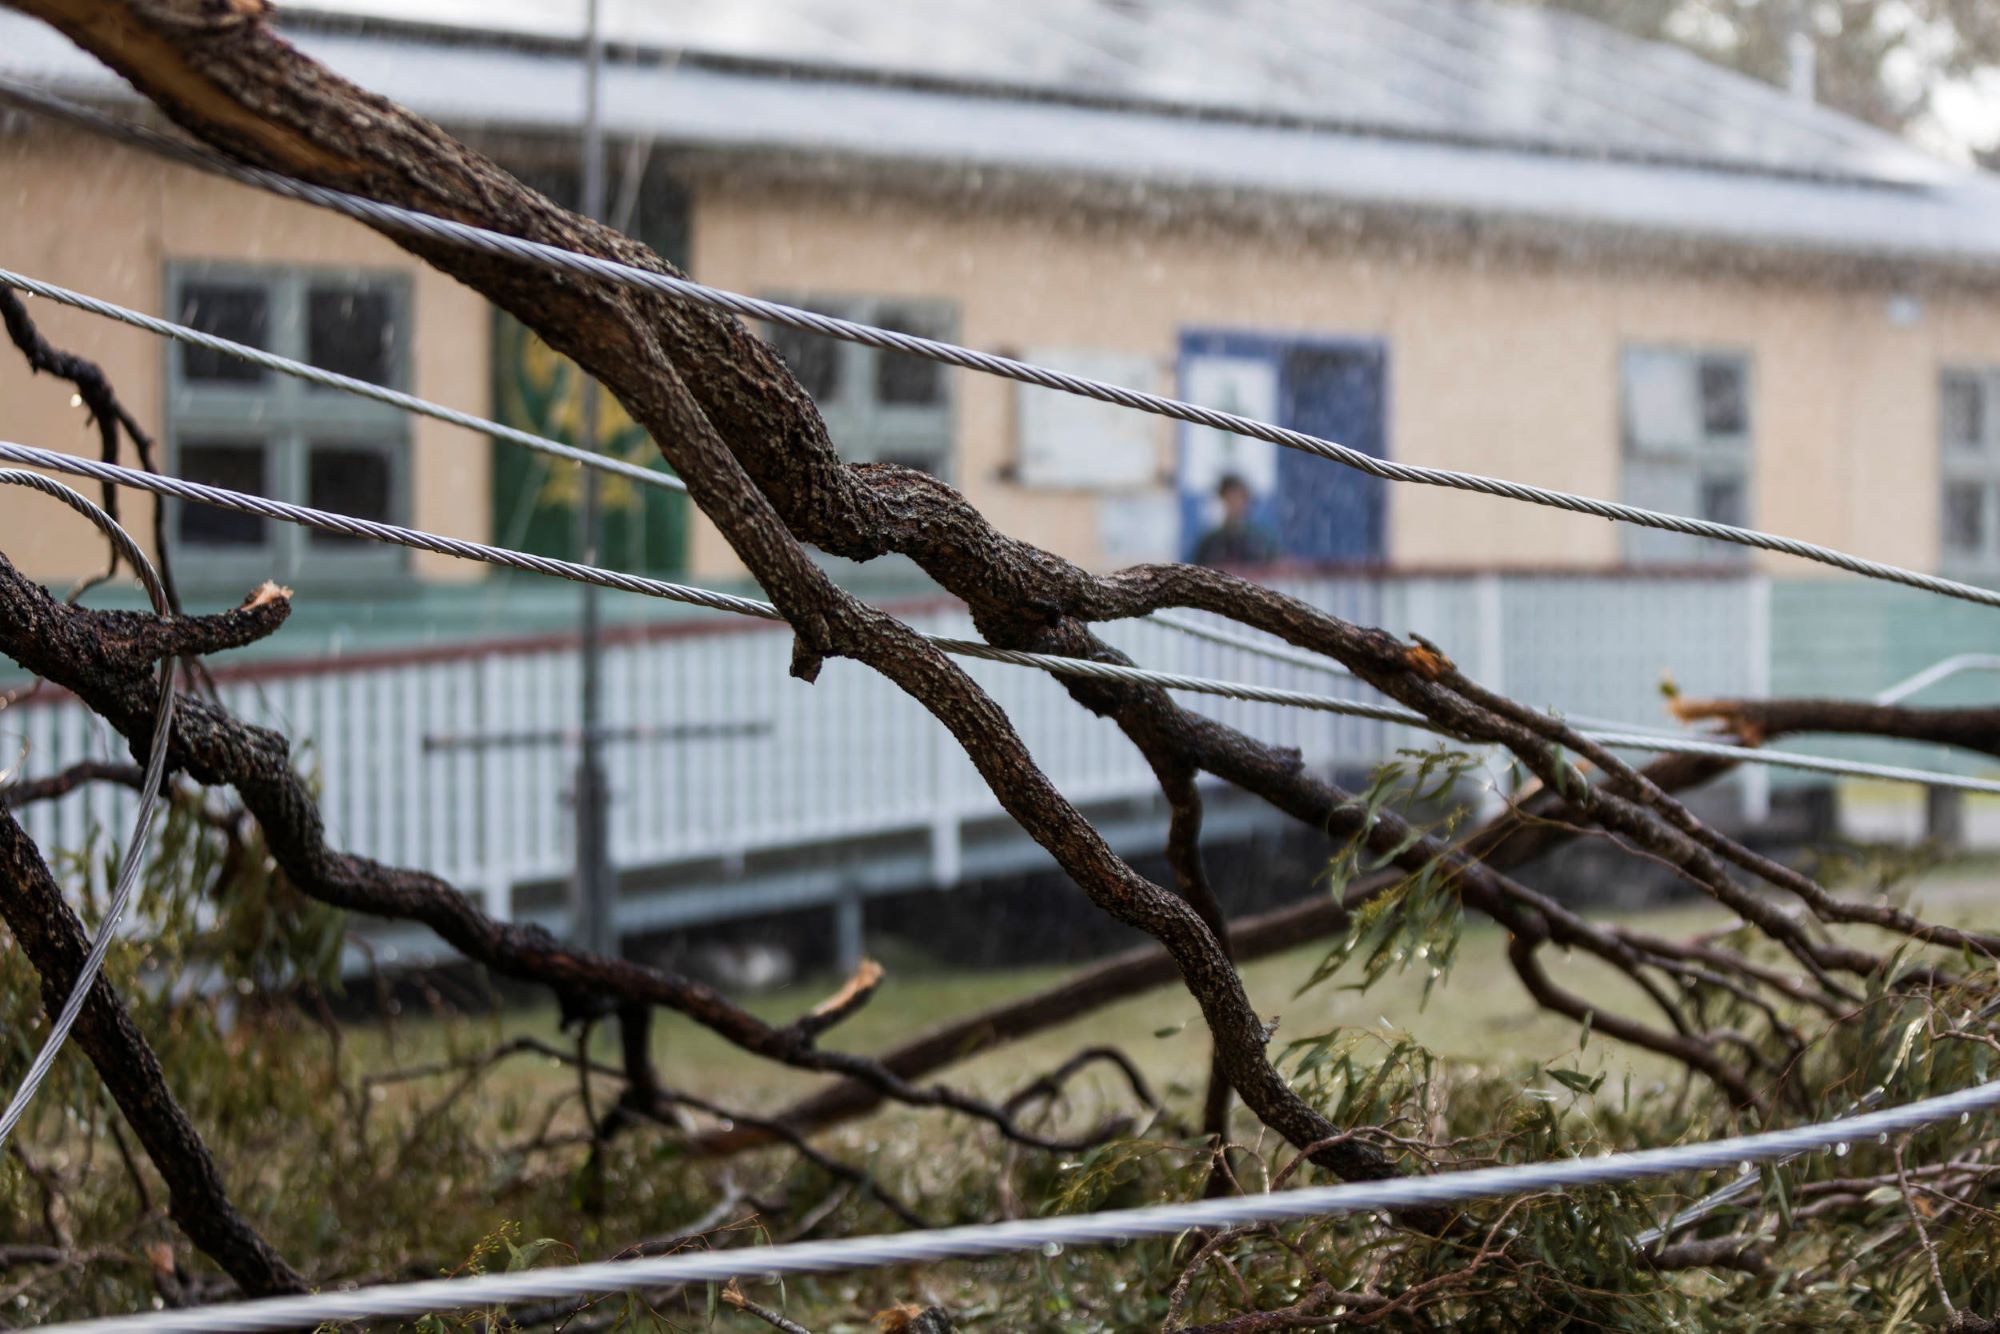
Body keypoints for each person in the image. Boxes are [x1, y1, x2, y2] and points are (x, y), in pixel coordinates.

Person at [1192, 473, 1277, 567]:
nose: (1234, 503)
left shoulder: (1261, 539)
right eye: (1229, 498)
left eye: (1238, 498)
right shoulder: (1210, 542)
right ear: (1222, 500)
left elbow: (1274, 570)